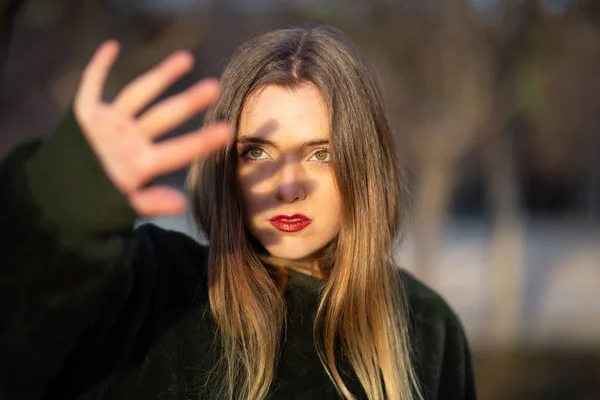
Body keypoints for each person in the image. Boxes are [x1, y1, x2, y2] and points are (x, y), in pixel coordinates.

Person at [0, 25, 476, 400]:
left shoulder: (427, 328)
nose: (288, 187)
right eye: (257, 153)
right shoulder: (153, 291)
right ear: (224, 166)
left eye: (321, 153)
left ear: (365, 166)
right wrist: (62, 205)